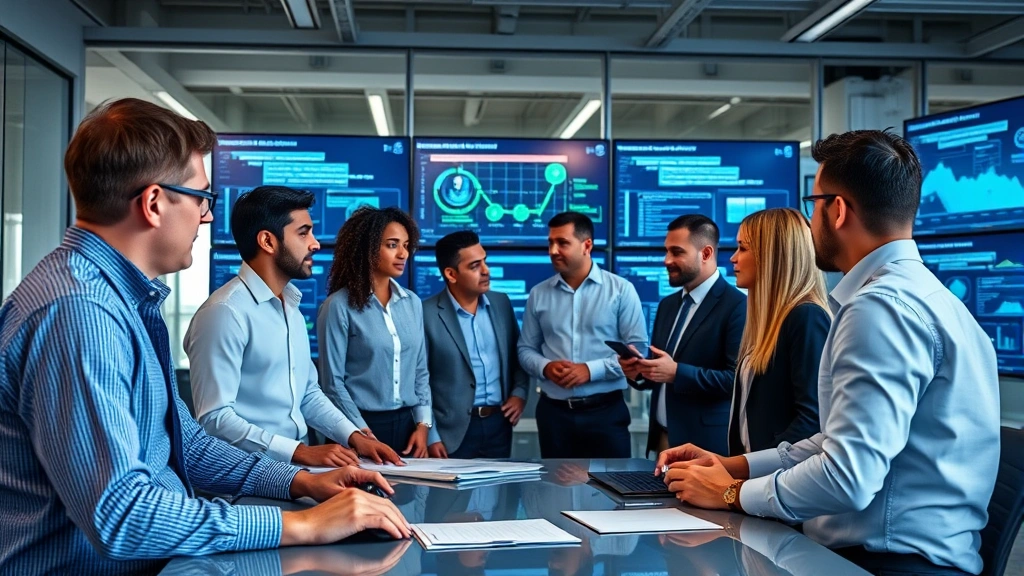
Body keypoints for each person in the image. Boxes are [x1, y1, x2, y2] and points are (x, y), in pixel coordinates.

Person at [0, 98, 409, 576]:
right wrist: (299, 526)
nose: (209, 217)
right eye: (201, 198)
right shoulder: (80, 312)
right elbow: (121, 516)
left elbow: (184, 444)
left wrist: (300, 482)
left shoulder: (123, 300)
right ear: (154, 203)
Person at [658, 130, 1000, 576]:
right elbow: (832, 442)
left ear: (837, 210)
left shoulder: (880, 309)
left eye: (813, 203)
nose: (810, 220)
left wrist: (730, 494)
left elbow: (847, 476)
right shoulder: (929, 299)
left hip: (887, 563)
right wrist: (733, 466)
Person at [184, 185, 401, 467]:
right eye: (303, 232)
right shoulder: (224, 313)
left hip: (297, 474)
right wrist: (299, 452)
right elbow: (215, 419)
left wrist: (354, 436)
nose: (315, 243)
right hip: (247, 483)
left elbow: (308, 393)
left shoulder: (291, 308)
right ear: (268, 241)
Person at [518, 211, 648, 458]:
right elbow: (525, 349)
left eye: (562, 243)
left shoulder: (621, 291)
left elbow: (637, 352)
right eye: (550, 242)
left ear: (587, 245)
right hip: (553, 415)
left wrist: (590, 370)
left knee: (610, 491)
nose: (553, 250)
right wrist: (546, 367)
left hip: (606, 414)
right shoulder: (539, 294)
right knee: (557, 492)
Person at [619, 215, 746, 457]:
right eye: (666, 251)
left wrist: (676, 372)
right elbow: (661, 372)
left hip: (705, 447)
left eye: (677, 252)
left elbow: (736, 381)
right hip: (663, 441)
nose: (667, 260)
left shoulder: (737, 306)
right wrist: (639, 371)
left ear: (706, 254)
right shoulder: (668, 305)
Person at [318, 206, 435, 457]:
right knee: (361, 496)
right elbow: (332, 384)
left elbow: (420, 371)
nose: (403, 253)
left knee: (407, 496)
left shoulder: (412, 302)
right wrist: (360, 433)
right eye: (392, 245)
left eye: (405, 245)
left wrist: (423, 425)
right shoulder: (338, 306)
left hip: (407, 428)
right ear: (368, 249)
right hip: (356, 427)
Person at [725, 208, 829, 455]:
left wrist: (749, 470)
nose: (733, 258)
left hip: (778, 483)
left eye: (743, 247)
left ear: (772, 255)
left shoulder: (806, 317)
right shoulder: (768, 322)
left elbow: (812, 421)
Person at [421, 230, 529, 459]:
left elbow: (517, 355)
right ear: (451, 274)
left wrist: (519, 393)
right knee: (450, 496)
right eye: (475, 266)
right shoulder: (426, 314)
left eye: (485, 261)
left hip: (499, 424)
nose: (486, 271)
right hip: (452, 431)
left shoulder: (501, 303)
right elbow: (419, 381)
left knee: (499, 493)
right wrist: (431, 435)